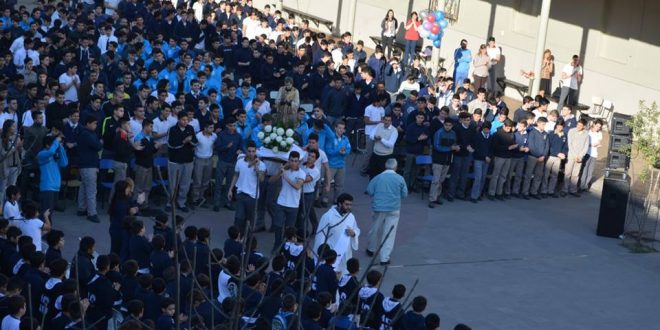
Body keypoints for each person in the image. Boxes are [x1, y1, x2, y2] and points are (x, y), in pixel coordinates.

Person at [366, 159, 407, 265]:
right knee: (389, 233)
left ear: (385, 166)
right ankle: (384, 258)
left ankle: (371, 249)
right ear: (396, 167)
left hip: (378, 208)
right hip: (394, 208)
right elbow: (404, 194)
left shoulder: (378, 178)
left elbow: (370, 191)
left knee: (375, 229)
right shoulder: (400, 178)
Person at [313, 193, 360, 274]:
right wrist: (322, 254)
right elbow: (320, 236)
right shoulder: (328, 216)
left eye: (350, 205)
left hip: (345, 253)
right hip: (332, 252)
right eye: (346, 204)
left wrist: (353, 233)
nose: (349, 207)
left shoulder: (351, 216)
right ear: (339, 204)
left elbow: (356, 229)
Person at [270, 151, 306, 251]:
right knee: (278, 225)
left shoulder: (301, 173)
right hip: (281, 202)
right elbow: (271, 181)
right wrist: (279, 172)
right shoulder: (284, 170)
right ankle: (277, 244)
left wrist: (285, 176)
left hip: (293, 205)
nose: (294, 163)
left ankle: (285, 247)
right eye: (291, 161)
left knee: (289, 229)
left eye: (296, 161)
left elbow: (297, 186)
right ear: (288, 161)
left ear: (299, 162)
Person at [227, 140, 266, 233]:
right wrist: (230, 189)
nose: (251, 153)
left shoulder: (261, 165)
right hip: (241, 193)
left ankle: (247, 239)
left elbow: (261, 179)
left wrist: (256, 168)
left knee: (249, 219)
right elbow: (236, 175)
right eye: (249, 151)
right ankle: (236, 237)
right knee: (239, 218)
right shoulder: (240, 162)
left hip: (252, 196)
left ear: (256, 151)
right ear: (246, 151)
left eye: (253, 151)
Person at [167, 112, 198, 212]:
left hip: (188, 160)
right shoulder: (172, 129)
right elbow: (171, 144)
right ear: (178, 119)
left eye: (187, 120)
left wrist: (190, 142)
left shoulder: (190, 128)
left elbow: (195, 142)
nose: (185, 122)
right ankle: (170, 202)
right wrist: (183, 142)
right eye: (183, 120)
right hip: (175, 161)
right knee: (173, 184)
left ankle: (182, 202)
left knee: (185, 183)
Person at [77, 116, 103, 223]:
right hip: (89, 165)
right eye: (94, 123)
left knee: (84, 186)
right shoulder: (87, 134)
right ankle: (92, 213)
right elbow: (97, 146)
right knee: (91, 189)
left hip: (85, 164)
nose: (96, 125)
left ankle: (82, 208)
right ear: (88, 123)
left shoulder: (85, 133)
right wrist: (100, 142)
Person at [214, 117, 243, 211]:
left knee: (229, 184)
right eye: (231, 126)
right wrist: (226, 147)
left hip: (233, 162)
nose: (233, 127)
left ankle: (227, 202)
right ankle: (216, 203)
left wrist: (240, 150)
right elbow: (217, 148)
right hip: (222, 161)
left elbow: (241, 147)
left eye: (234, 125)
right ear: (227, 126)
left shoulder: (238, 136)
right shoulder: (221, 135)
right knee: (218, 183)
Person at [37, 135, 68, 218]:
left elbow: (64, 163)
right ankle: (44, 229)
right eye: (54, 144)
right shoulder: (42, 154)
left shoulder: (55, 154)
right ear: (47, 145)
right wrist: (56, 142)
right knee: (46, 213)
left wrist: (60, 148)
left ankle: (47, 229)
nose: (56, 145)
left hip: (56, 186)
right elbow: (50, 152)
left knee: (50, 212)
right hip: (47, 187)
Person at [447, 112, 475, 201]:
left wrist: (471, 146)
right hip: (458, 155)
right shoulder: (457, 128)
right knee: (455, 174)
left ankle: (460, 193)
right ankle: (451, 194)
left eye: (469, 120)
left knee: (464, 175)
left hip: (467, 155)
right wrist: (466, 146)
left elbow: (473, 141)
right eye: (466, 120)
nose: (468, 122)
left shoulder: (471, 129)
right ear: (462, 120)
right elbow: (456, 141)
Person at [488, 119, 517, 200]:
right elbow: (495, 147)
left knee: (503, 176)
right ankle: (491, 193)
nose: (509, 129)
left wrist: (514, 147)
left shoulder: (512, 134)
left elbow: (513, 144)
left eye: (510, 128)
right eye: (507, 128)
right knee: (495, 175)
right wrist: (508, 147)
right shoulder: (498, 134)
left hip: (508, 157)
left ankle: (499, 192)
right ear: (504, 126)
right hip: (499, 156)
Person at [522, 117, 549, 199]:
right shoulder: (532, 132)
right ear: (538, 123)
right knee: (528, 175)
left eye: (545, 124)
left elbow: (547, 146)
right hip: (532, 157)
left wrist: (543, 155)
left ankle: (534, 191)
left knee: (538, 176)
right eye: (542, 124)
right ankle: (525, 192)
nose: (544, 126)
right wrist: (538, 155)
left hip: (541, 158)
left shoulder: (545, 134)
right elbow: (531, 145)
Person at [191, 121, 217, 208]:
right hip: (199, 159)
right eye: (210, 128)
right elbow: (193, 146)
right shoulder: (198, 136)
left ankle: (201, 198)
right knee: (197, 180)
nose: (212, 129)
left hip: (209, 159)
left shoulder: (214, 136)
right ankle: (194, 199)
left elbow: (214, 146)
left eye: (213, 128)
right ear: (205, 128)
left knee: (206, 181)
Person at [325, 120, 352, 203]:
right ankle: (324, 199)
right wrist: (338, 151)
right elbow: (328, 151)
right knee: (327, 182)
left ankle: (337, 200)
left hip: (341, 165)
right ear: (335, 128)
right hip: (331, 165)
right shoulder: (331, 138)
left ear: (344, 130)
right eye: (339, 128)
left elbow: (348, 149)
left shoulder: (345, 139)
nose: (341, 130)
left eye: (342, 128)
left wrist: (345, 152)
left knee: (339, 185)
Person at [563, 118, 590, 197]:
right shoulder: (572, 131)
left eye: (580, 125)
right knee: (568, 173)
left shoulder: (586, 134)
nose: (578, 126)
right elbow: (570, 144)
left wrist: (580, 156)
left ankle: (573, 190)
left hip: (580, 157)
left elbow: (586, 146)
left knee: (575, 174)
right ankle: (564, 189)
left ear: (584, 126)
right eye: (578, 124)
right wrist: (575, 155)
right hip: (571, 155)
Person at [542, 118, 568, 197]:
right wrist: (557, 153)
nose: (560, 128)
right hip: (550, 156)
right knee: (546, 174)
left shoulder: (564, 135)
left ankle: (551, 191)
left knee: (554, 175)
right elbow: (549, 146)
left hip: (558, 158)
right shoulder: (551, 134)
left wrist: (563, 153)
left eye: (561, 126)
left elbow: (565, 146)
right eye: (558, 126)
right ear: (556, 126)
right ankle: (543, 190)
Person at [368, 113, 398, 179]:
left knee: (383, 177)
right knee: (372, 175)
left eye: (389, 120)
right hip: (375, 154)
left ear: (391, 121)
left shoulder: (394, 130)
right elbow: (371, 135)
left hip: (385, 157)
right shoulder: (379, 125)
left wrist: (381, 139)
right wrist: (375, 138)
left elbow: (391, 144)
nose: (387, 122)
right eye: (385, 120)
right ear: (383, 120)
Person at [470, 122, 492, 203]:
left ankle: (478, 194)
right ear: (482, 128)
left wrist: (489, 156)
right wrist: (485, 156)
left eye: (488, 129)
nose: (486, 131)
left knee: (483, 178)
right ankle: (473, 196)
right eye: (485, 129)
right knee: (478, 178)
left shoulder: (490, 137)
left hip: (486, 160)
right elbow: (476, 149)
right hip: (478, 159)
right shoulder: (478, 136)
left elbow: (491, 148)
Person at [581, 119, 603, 192]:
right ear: (593, 124)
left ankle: (586, 186)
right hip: (587, 153)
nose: (598, 128)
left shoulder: (599, 133)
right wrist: (591, 145)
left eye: (599, 127)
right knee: (585, 170)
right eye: (597, 126)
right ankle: (581, 186)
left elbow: (598, 143)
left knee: (590, 171)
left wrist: (594, 145)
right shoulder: (588, 132)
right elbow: (585, 143)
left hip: (594, 154)